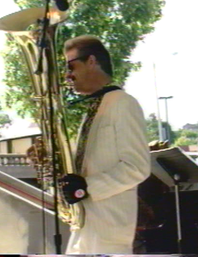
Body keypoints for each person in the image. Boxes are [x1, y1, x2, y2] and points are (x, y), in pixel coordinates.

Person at [60, 35, 151, 254]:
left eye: (71, 66)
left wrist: (86, 188)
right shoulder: (95, 108)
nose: (67, 75)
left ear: (92, 61)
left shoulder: (123, 103)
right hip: (84, 229)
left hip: (108, 234)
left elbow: (137, 168)